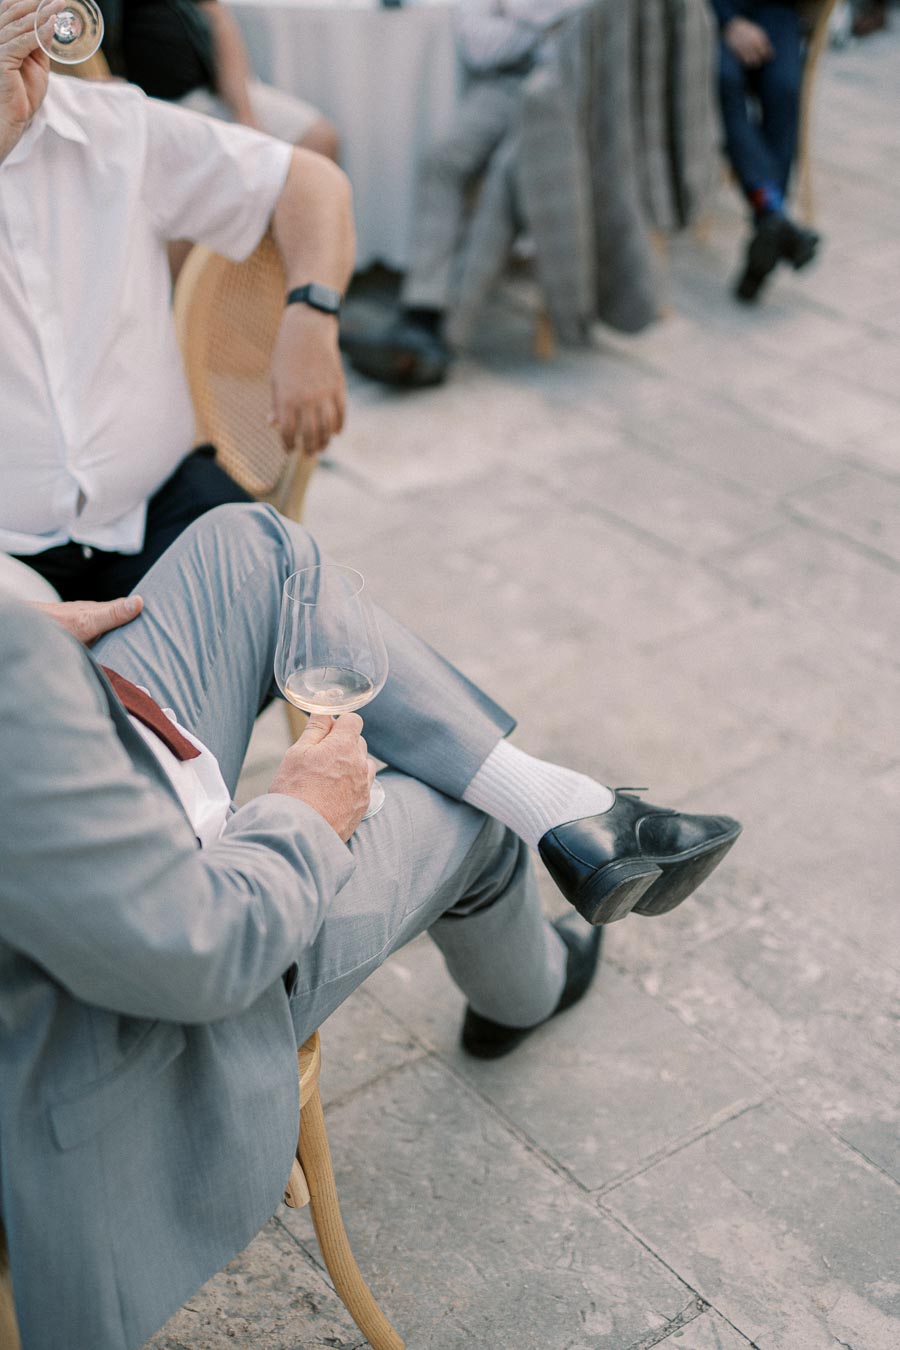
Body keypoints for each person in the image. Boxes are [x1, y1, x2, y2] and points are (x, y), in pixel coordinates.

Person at [0, 499, 742, 1350]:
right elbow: (196, 951)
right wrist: (306, 814)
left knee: (254, 546)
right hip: (133, 1015)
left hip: (82, 796)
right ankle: (525, 979)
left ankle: (569, 814)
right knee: (470, 819)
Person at [0, 0, 351, 601]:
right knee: (63, 684)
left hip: (157, 507)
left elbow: (312, 181)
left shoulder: (118, 126)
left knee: (286, 583)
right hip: (11, 559)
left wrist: (310, 315)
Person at [340, 0, 588, 388]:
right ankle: (422, 311)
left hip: (576, 88)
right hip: (506, 82)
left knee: (502, 186)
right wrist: (543, 27)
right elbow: (479, 45)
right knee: (442, 160)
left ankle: (441, 338)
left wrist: (515, 18)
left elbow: (587, 23)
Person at [99, 0, 339, 159]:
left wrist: (245, 115)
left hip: (214, 90)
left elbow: (220, 21)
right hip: (155, 104)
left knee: (318, 138)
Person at [711, 0, 820, 300]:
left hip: (777, 11)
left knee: (784, 90)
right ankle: (772, 215)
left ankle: (770, 218)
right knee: (723, 81)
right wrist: (729, 22)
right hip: (713, 13)